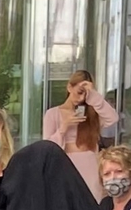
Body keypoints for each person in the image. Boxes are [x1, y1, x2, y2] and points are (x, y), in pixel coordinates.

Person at [43, 68, 120, 197]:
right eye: (79, 92)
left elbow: (112, 118)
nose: (81, 98)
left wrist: (94, 97)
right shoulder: (53, 113)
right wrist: (64, 127)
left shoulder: (92, 114)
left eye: (85, 94)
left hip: (90, 167)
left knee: (91, 204)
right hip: (65, 166)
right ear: (69, 87)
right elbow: (46, 146)